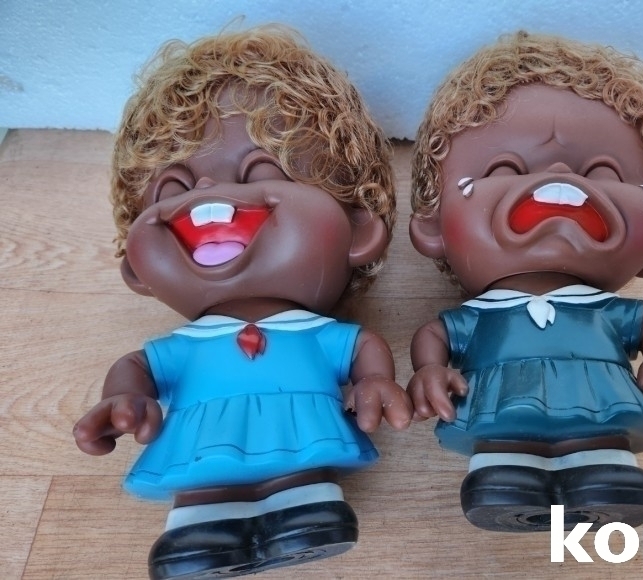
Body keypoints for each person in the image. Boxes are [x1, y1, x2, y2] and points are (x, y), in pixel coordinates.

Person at [73, 25, 412, 578]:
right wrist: (124, 398)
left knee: (303, 484)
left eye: (261, 171)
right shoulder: (184, 346)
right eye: (175, 189)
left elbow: (360, 347)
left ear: (356, 231)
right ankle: (203, 529)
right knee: (204, 487)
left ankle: (303, 508)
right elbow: (139, 366)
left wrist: (374, 380)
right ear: (136, 269)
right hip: (202, 443)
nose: (210, 197)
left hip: (301, 433)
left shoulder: (314, 333)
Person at [408, 30, 643, 532]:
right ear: (433, 227)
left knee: (603, 453)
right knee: (504, 459)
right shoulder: (479, 317)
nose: (558, 179)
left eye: (604, 173)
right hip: (501, 405)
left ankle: (604, 474)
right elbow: (437, 334)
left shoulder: (605, 312)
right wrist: (428, 369)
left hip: (600, 402)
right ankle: (507, 477)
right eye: (504, 168)